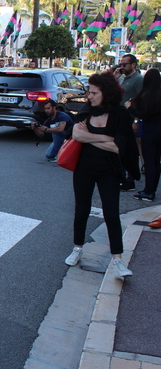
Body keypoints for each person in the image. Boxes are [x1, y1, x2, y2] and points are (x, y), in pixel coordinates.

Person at [64, 71, 140, 280]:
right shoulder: (86, 111)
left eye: (94, 92)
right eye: (89, 91)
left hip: (109, 170)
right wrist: (106, 138)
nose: (89, 96)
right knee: (81, 210)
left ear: (106, 93)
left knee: (112, 214)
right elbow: (75, 134)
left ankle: (117, 259)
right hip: (84, 168)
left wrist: (89, 137)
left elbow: (121, 148)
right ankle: (77, 248)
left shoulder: (120, 114)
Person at [125, 68, 161, 202]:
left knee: (149, 162)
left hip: (150, 130)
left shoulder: (146, 95)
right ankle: (152, 189)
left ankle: (149, 191)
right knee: (156, 162)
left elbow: (143, 115)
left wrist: (130, 108)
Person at [115, 53, 143, 191]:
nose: (122, 67)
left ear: (133, 65)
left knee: (129, 151)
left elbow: (140, 101)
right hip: (120, 119)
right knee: (119, 149)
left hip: (131, 119)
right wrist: (115, 77)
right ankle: (121, 178)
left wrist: (136, 120)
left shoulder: (138, 79)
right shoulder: (123, 79)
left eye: (125, 64)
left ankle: (130, 180)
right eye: (121, 64)